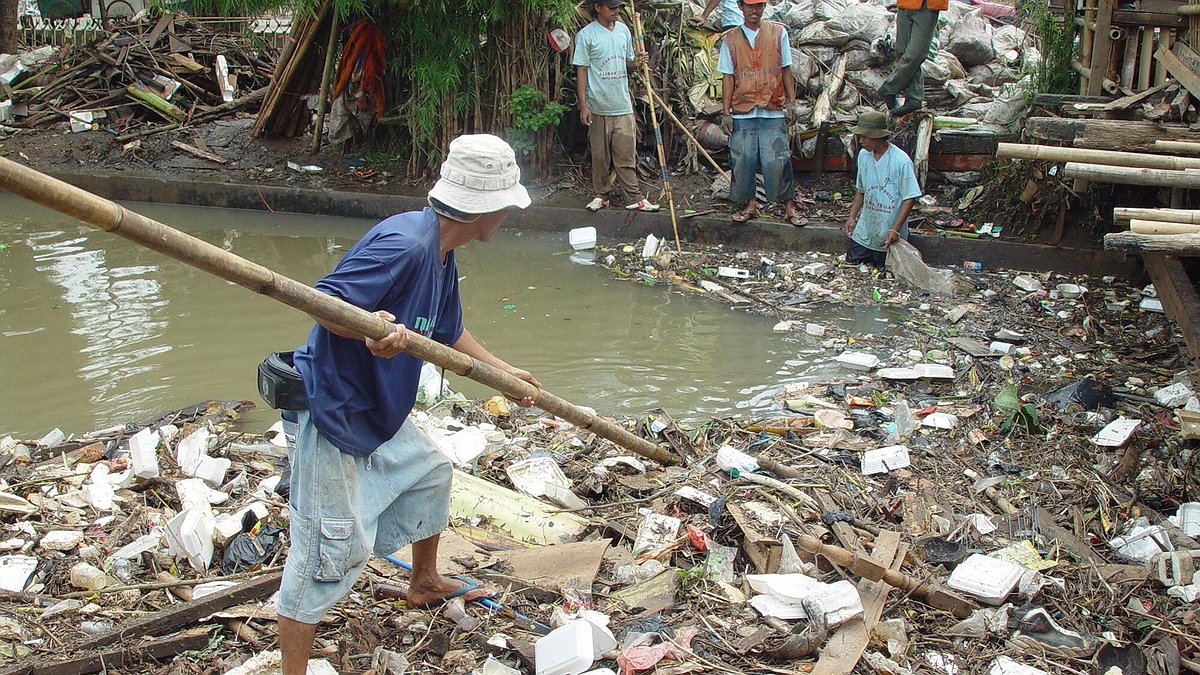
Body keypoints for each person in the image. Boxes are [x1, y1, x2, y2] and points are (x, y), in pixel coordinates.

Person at [278, 134, 540, 675]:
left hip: (376, 407)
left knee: (430, 473)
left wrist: (501, 373)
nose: (507, 217)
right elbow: (327, 302)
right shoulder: (406, 245)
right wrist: (371, 331)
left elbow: (448, 330)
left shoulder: (442, 255)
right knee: (323, 556)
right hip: (332, 410)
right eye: (506, 208)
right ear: (485, 209)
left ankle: (423, 582)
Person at [717, 0, 803, 226]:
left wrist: (792, 102)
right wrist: (726, 112)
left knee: (778, 160)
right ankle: (750, 205)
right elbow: (727, 77)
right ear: (740, 6)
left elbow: (786, 69)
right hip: (743, 108)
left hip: (771, 106)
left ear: (764, 6)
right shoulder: (730, 39)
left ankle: (789, 207)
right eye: (749, 6)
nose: (754, 11)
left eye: (759, 6)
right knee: (743, 160)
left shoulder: (778, 33)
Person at [573, 0, 659, 212]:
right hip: (598, 105)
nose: (616, 11)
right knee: (600, 156)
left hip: (622, 104)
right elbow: (582, 71)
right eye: (611, 7)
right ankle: (601, 195)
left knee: (626, 155)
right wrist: (584, 106)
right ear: (598, 8)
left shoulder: (623, 31)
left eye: (618, 7)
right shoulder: (586, 35)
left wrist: (636, 62)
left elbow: (627, 63)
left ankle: (634, 197)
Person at [843, 110, 922, 266]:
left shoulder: (901, 161)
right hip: (866, 228)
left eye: (865, 137)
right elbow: (861, 190)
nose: (861, 141)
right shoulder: (864, 156)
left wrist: (895, 228)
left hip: (888, 228)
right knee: (853, 263)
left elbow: (910, 197)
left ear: (877, 137)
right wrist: (852, 217)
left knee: (885, 268)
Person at [878, 0, 945, 116]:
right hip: (906, 4)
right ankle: (914, 98)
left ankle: (889, 88)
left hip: (928, 6)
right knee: (902, 52)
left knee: (916, 54)